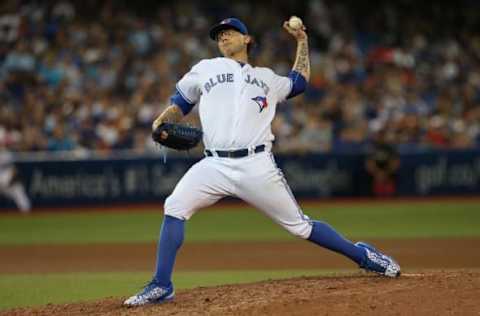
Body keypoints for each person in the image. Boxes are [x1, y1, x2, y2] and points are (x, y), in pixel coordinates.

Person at [124, 17, 400, 307]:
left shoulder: (267, 77)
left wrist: (302, 41)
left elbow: (299, 83)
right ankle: (161, 284)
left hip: (256, 164)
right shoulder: (205, 69)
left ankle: (363, 256)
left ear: (247, 39)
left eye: (230, 33)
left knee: (300, 227)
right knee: (175, 207)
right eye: (219, 36)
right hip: (214, 165)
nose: (224, 38)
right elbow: (179, 104)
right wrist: (161, 121)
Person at [0, 148, 31, 213]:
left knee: (19, 191)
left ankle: (26, 213)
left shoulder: (6, 154)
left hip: (9, 183)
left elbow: (14, 169)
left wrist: (11, 180)